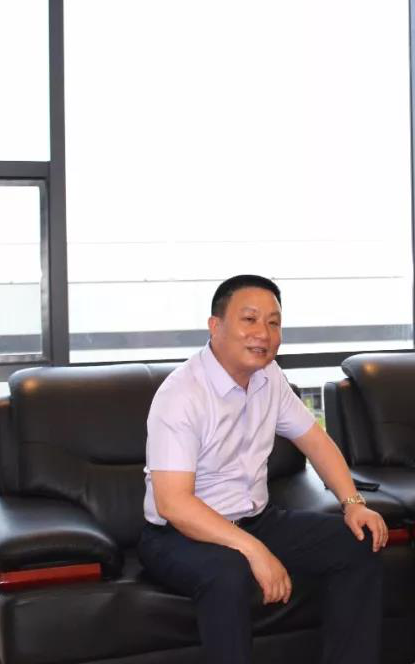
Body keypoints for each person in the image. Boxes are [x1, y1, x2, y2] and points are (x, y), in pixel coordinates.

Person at [138, 274, 388, 664]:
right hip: (180, 534)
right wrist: (254, 551)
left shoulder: (269, 377)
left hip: (256, 519)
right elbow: (174, 504)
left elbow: (316, 441)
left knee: (358, 542)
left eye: (274, 322)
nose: (264, 333)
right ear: (215, 326)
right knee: (228, 574)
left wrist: (352, 503)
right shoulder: (182, 395)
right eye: (250, 319)